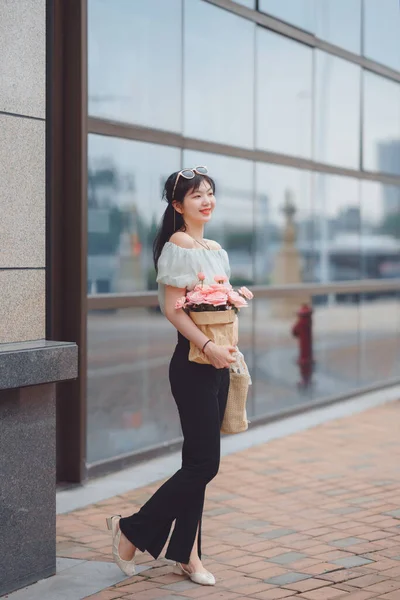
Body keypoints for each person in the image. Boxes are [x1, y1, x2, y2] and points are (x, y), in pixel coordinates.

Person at [106, 166, 237, 586]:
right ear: (178, 206)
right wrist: (208, 346)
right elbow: (172, 308)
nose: (206, 200)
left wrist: (226, 345)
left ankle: (188, 555)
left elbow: (218, 303)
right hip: (194, 364)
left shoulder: (214, 247)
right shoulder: (178, 246)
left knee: (195, 462)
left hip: (219, 362)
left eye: (210, 193)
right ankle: (130, 529)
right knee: (204, 464)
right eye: (197, 195)